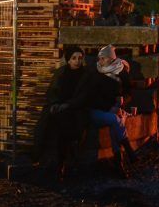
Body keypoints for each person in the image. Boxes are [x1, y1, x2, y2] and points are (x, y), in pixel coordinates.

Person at [70, 44, 135, 178]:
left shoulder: (121, 71)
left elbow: (129, 92)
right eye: (99, 58)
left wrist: (122, 101)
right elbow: (90, 96)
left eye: (103, 59)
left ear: (111, 59)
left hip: (115, 106)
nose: (99, 61)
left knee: (114, 124)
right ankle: (126, 154)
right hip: (100, 108)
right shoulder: (96, 73)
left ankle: (119, 163)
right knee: (115, 120)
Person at [33, 46, 88, 179]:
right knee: (45, 124)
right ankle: (38, 156)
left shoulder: (86, 75)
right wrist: (54, 104)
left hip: (76, 109)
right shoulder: (61, 72)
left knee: (65, 127)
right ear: (68, 60)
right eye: (74, 58)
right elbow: (52, 91)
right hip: (59, 107)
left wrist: (68, 105)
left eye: (80, 58)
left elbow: (85, 96)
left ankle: (61, 164)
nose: (77, 61)